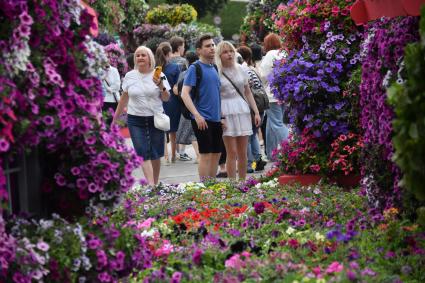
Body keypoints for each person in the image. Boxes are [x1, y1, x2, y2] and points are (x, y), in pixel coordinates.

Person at [113, 46, 170, 186]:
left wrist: (161, 85)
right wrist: (115, 118)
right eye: (137, 55)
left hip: (155, 118)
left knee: (156, 153)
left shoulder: (159, 75)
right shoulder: (129, 76)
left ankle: (155, 183)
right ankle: (150, 185)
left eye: (143, 55)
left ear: (149, 57)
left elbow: (166, 98)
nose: (140, 58)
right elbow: (124, 98)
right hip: (135, 119)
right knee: (142, 152)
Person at [216, 41, 261, 180]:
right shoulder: (217, 71)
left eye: (231, 51)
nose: (229, 54)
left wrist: (256, 111)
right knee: (232, 152)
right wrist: (220, 117)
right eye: (225, 52)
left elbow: (248, 92)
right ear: (220, 55)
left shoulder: (241, 69)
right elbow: (216, 96)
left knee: (243, 152)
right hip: (226, 110)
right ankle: (232, 184)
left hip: (242, 110)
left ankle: (242, 182)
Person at [181, 34, 222, 180]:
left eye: (213, 45)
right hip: (202, 118)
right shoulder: (195, 68)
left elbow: (216, 95)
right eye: (207, 46)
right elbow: (184, 93)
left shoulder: (215, 67)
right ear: (199, 50)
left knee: (216, 153)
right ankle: (205, 187)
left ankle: (212, 184)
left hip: (216, 118)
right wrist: (197, 115)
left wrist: (221, 116)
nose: (212, 48)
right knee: (205, 154)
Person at [237, 45, 267, 172]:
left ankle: (249, 164)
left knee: (247, 136)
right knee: (253, 134)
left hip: (250, 106)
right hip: (259, 106)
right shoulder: (252, 69)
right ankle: (258, 160)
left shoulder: (243, 71)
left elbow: (246, 91)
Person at [260, 33, 289, 160]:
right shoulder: (284, 54)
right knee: (272, 124)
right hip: (284, 92)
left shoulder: (269, 55)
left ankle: (290, 149)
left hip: (272, 94)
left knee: (276, 123)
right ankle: (271, 153)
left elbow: (263, 75)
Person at [155, 42, 182, 163]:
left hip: (159, 100)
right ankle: (173, 155)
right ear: (168, 53)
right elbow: (177, 85)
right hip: (173, 101)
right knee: (173, 130)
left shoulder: (156, 69)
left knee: (161, 128)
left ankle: (165, 155)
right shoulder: (175, 67)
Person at [174, 51, 200, 163]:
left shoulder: (184, 73)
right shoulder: (201, 71)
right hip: (199, 104)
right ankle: (185, 153)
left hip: (187, 105)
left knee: (191, 132)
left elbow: (178, 90)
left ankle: (198, 156)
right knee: (193, 131)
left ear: (187, 61)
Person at [169, 36, 192, 161]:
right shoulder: (183, 62)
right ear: (179, 47)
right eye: (183, 46)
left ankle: (173, 153)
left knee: (173, 127)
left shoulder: (167, 61)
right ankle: (181, 152)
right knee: (181, 123)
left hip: (169, 97)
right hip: (181, 96)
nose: (184, 48)